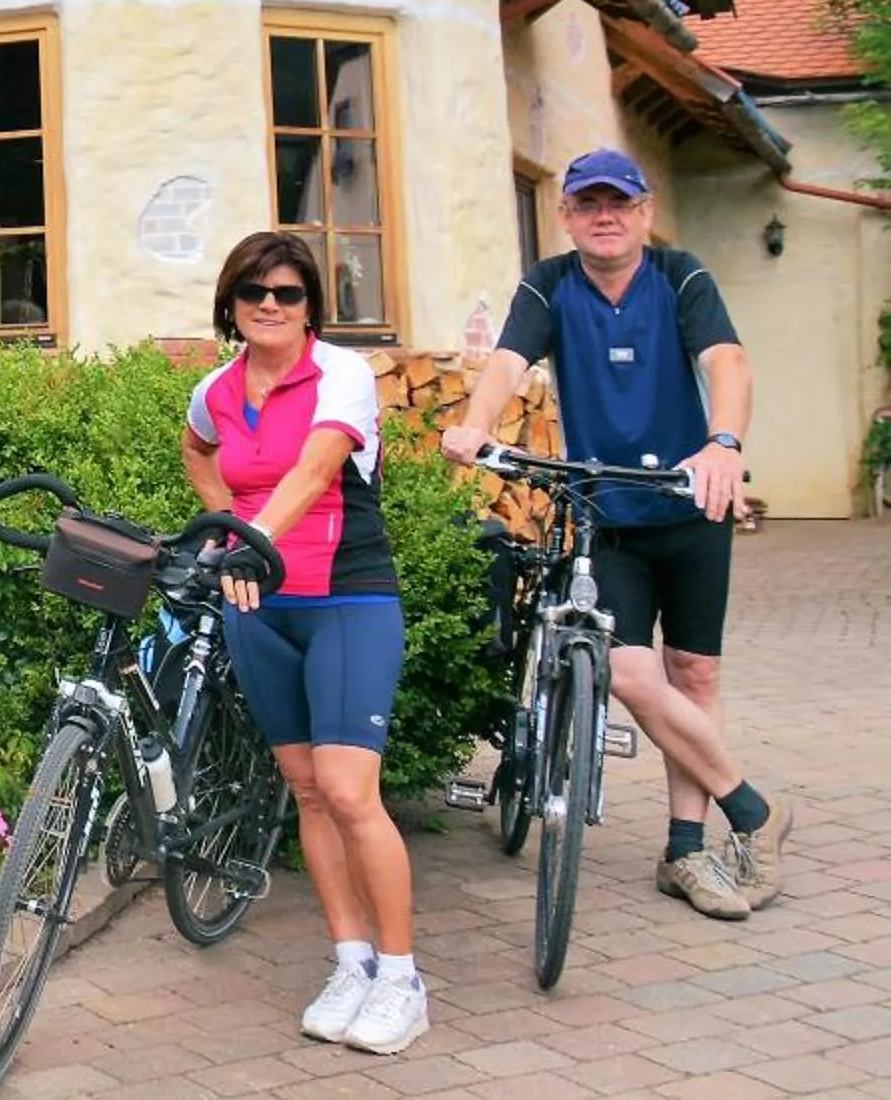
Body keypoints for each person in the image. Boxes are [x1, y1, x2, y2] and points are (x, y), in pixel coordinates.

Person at [442, 147, 790, 921]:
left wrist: (723, 443)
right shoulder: (552, 283)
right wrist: (473, 424)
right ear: (567, 216)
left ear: (645, 212)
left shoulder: (680, 276)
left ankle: (687, 852)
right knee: (632, 674)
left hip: (690, 506)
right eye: (589, 204)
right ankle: (755, 812)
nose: (606, 216)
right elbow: (506, 360)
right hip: (607, 517)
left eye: (620, 203)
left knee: (694, 676)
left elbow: (728, 361)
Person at [181, 231, 426, 1057]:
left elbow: (316, 470)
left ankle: (401, 980)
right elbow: (198, 451)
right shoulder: (215, 390)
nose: (271, 306)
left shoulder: (344, 376)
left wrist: (244, 538)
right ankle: (350, 964)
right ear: (233, 305)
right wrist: (225, 534)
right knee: (308, 791)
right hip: (262, 603)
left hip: (346, 595)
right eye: (254, 293)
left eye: (287, 292)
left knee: (351, 790)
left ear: (311, 304)